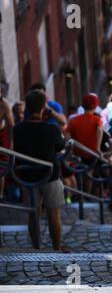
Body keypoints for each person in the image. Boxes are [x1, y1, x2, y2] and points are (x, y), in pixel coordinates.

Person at [13, 89, 67, 252]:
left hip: (27, 175)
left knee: (33, 214)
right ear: (44, 107)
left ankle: (36, 248)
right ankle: (56, 248)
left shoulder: (18, 129)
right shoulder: (51, 129)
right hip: (50, 175)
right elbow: (61, 146)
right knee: (54, 214)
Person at [66, 93, 104, 195]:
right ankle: (87, 195)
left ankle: (79, 194)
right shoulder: (97, 119)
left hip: (77, 153)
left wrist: (69, 150)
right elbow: (100, 130)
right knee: (90, 174)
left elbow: (67, 136)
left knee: (78, 174)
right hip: (91, 153)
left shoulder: (73, 120)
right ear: (95, 106)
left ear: (82, 106)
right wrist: (98, 148)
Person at [0, 86, 14, 201]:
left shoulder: (4, 104)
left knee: (1, 167)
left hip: (1, 137)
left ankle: (0, 196)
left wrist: (10, 144)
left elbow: (11, 125)